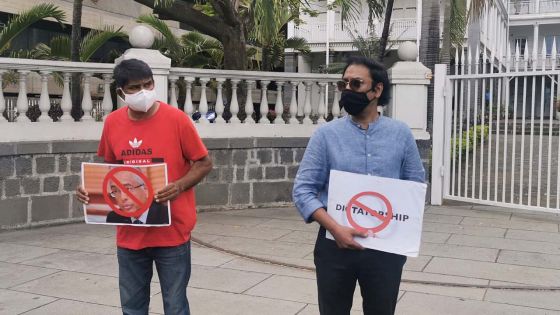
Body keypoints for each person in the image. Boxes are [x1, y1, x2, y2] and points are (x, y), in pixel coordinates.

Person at [76, 58, 213, 315]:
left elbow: (204, 163)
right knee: (132, 307)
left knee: (175, 306)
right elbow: (109, 172)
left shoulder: (177, 120)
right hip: (130, 236)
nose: (144, 92)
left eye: (148, 84)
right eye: (134, 88)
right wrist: (88, 189)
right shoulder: (113, 123)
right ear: (120, 92)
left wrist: (180, 185)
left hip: (172, 233)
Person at [292, 56, 425, 315]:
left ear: (377, 90)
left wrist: (401, 223)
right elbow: (303, 190)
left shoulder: (401, 134)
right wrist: (335, 228)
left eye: (356, 84)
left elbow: (415, 185)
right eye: (344, 85)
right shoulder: (326, 135)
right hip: (334, 246)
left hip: (386, 249)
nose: (348, 91)